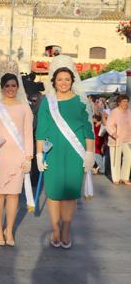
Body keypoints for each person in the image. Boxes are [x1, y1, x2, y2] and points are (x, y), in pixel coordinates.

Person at [36, 55, 95, 249]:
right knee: (52, 193)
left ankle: (66, 230)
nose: (63, 83)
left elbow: (88, 129)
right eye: (59, 79)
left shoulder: (80, 102)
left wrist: (89, 154)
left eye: (67, 79)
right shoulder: (48, 102)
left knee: (70, 194)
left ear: (72, 81)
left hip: (75, 153)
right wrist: (38, 155)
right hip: (52, 152)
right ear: (54, 81)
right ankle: (55, 229)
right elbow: (41, 130)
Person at [0, 72, 33, 247]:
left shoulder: (25, 108)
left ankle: (9, 229)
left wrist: (29, 157)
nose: (10, 89)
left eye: (13, 86)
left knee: (13, 195)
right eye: (7, 86)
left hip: (17, 155)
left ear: (17, 87)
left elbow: (28, 133)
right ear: (2, 88)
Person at [106, 94, 131, 185]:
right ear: (119, 102)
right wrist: (113, 133)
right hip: (116, 139)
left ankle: (125, 177)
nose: (126, 103)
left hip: (128, 139)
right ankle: (116, 178)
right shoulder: (114, 112)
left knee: (128, 158)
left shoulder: (129, 112)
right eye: (124, 101)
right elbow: (109, 125)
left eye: (127, 101)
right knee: (116, 159)